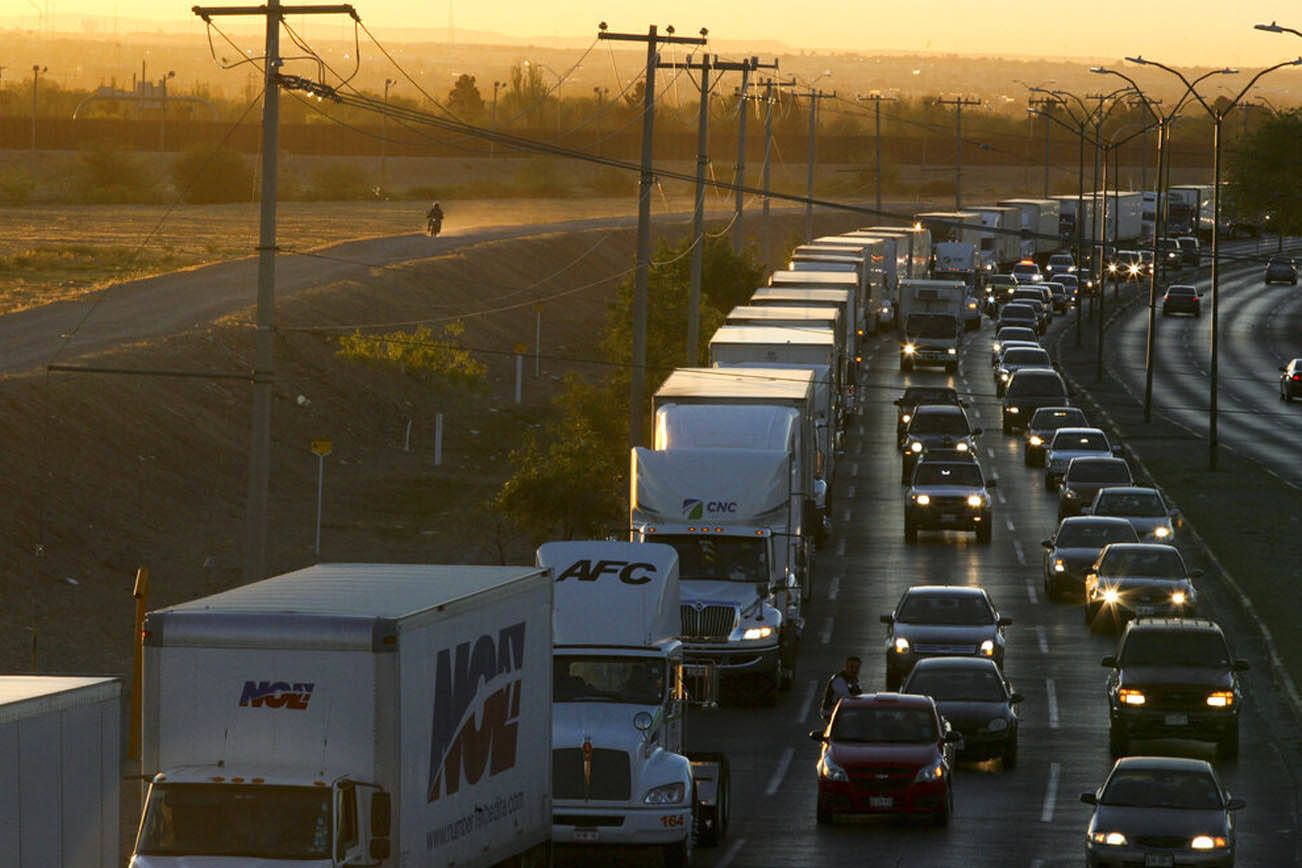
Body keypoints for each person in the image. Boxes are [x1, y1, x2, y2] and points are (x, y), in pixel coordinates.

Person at [820, 655, 862, 721]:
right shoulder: (839, 680)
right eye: (851, 667)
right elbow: (848, 698)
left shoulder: (854, 680)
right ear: (846, 667)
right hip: (831, 713)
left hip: (842, 712)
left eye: (857, 668)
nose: (854, 670)